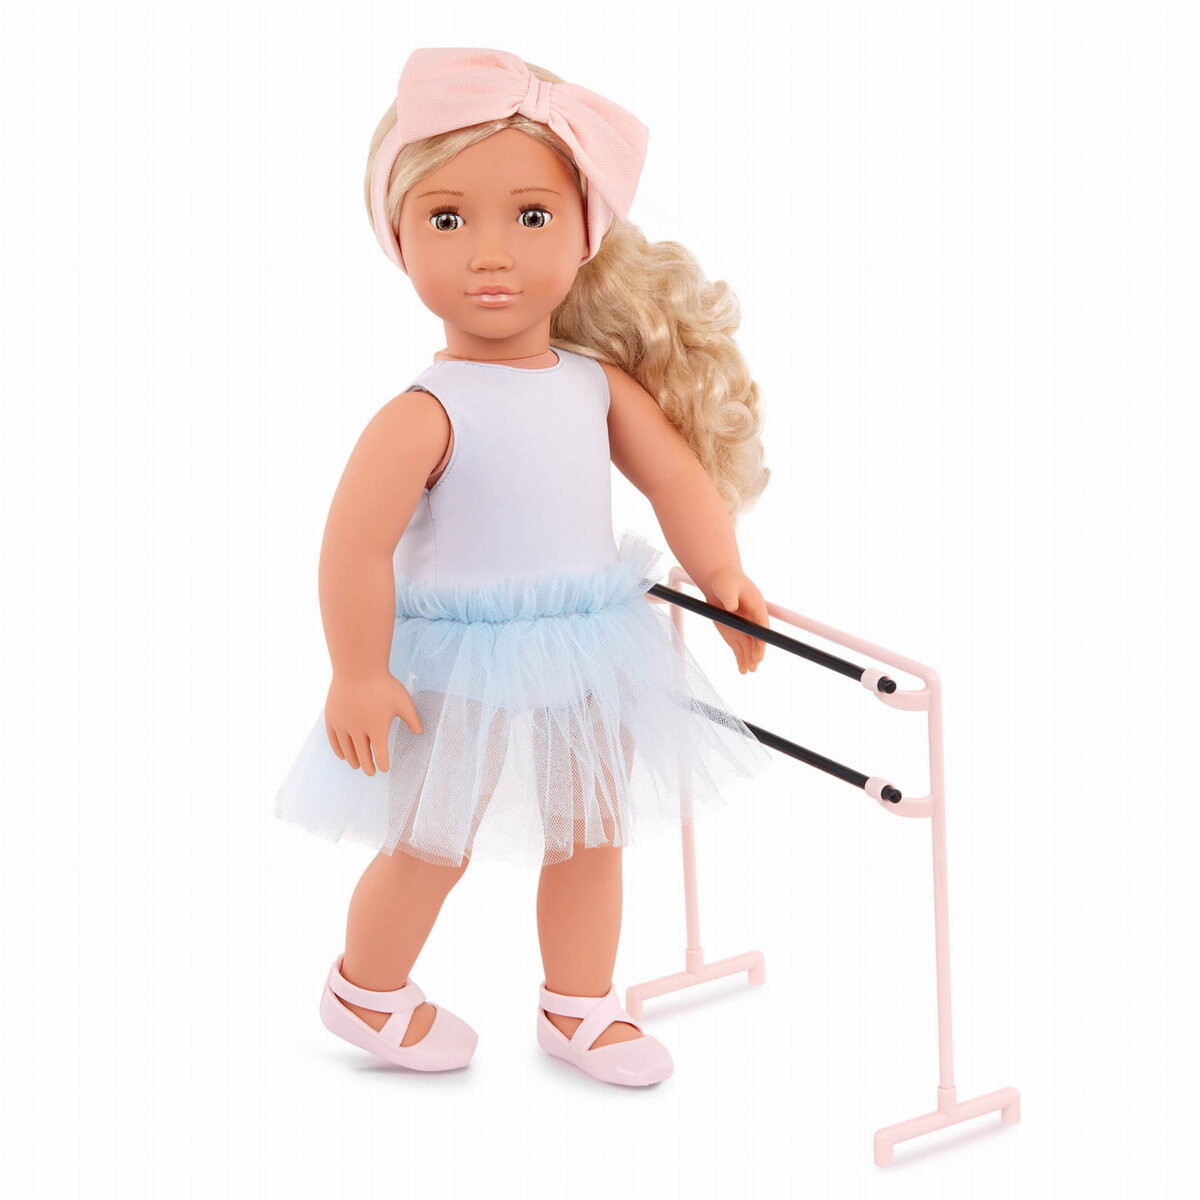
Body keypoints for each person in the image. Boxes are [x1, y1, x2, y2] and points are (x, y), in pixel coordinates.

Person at [274, 46, 773, 1087]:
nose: (489, 254)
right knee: (433, 837)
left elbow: (674, 479)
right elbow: (352, 546)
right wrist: (358, 670)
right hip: (462, 656)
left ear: (584, 234)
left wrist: (721, 573)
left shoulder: (594, 385)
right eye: (448, 219)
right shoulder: (425, 412)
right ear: (400, 240)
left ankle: (579, 1005)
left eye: (532, 216)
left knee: (591, 830)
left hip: (590, 639)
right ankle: (366, 989)